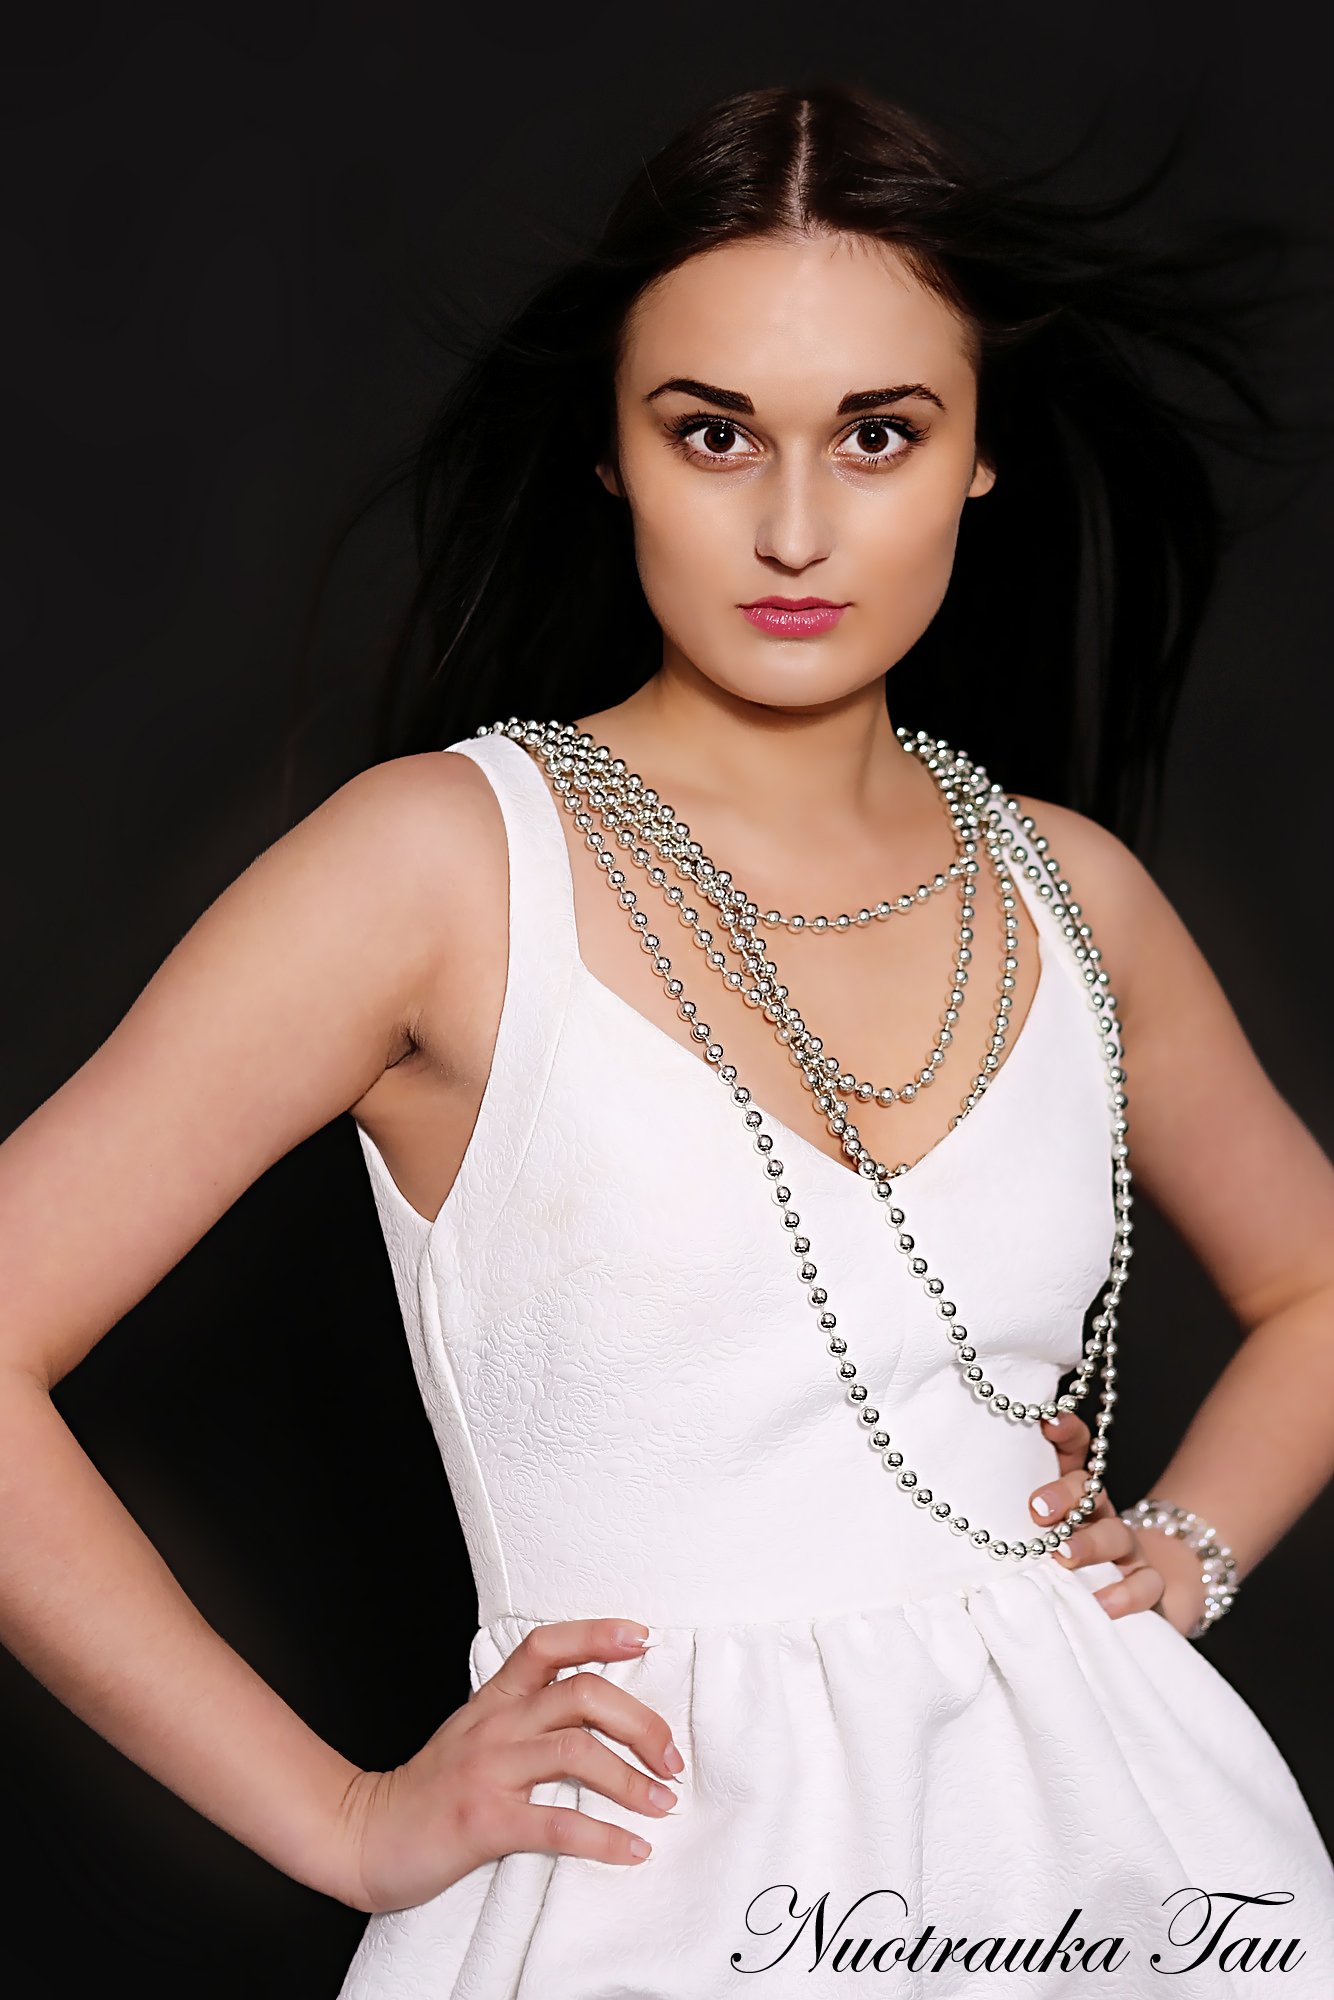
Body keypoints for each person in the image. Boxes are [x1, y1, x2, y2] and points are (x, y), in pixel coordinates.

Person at [3, 79, 1333, 1998]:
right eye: (713, 433)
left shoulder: (1072, 891)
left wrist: (1185, 1550)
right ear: (612, 453)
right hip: (650, 1905)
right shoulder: (439, 869)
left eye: (877, 433)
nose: (793, 527)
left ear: (978, 454)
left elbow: (1311, 1279)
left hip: (1127, 1882)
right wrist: (344, 1820)